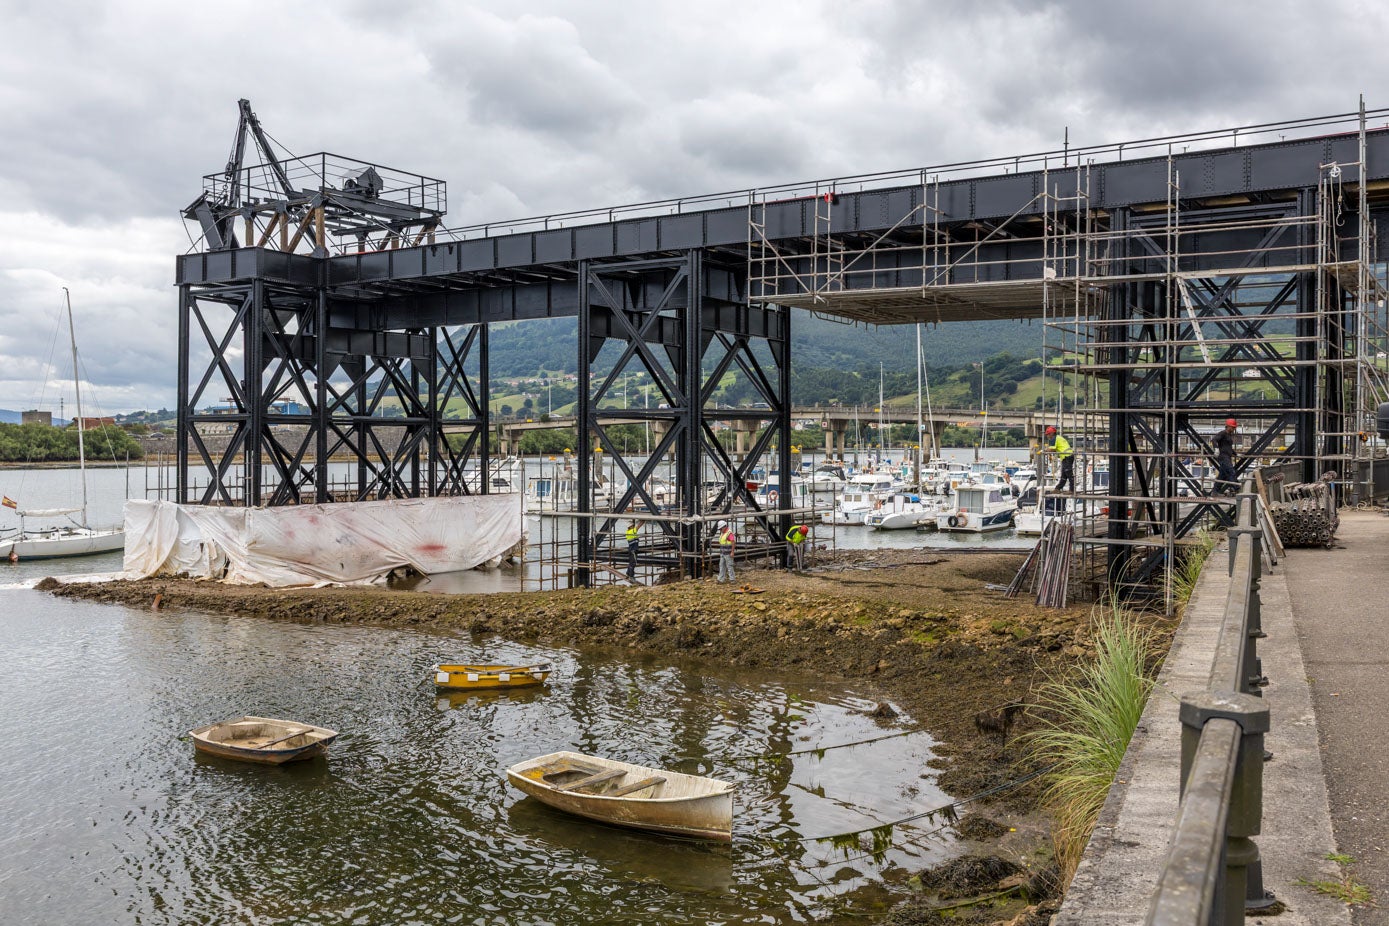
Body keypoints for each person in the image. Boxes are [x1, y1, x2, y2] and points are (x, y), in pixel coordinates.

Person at [1045, 425, 1074, 495]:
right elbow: (1054, 450)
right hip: (1067, 456)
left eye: (1048, 434)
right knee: (1064, 475)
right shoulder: (1058, 438)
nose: (1047, 436)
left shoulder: (1053, 439)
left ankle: (1072, 490)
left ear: (1052, 433)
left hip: (1067, 456)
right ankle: (1058, 488)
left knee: (1069, 474)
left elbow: (1052, 449)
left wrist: (1045, 450)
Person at [1215, 418, 1239, 495]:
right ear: (1228, 426)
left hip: (1227, 457)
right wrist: (1216, 449)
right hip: (1223, 457)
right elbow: (1214, 440)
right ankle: (1237, 488)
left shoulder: (1228, 435)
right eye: (1233, 427)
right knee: (1231, 471)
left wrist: (1236, 454)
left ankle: (1215, 491)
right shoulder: (1223, 433)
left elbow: (1228, 448)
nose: (1234, 429)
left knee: (1222, 476)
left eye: (1234, 427)